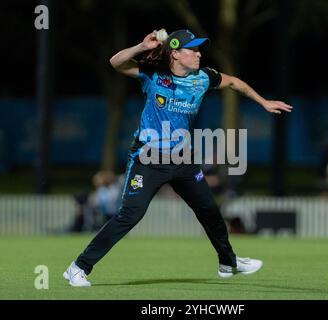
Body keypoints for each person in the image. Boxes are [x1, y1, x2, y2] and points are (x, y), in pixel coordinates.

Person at [63, 29, 292, 287]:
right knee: (129, 215)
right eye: (192, 49)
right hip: (148, 158)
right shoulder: (154, 76)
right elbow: (116, 62)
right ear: (174, 53)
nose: (198, 53)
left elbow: (233, 82)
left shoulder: (204, 78)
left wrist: (263, 102)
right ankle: (78, 267)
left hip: (183, 159)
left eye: (198, 49)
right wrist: (141, 45)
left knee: (209, 210)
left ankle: (229, 262)